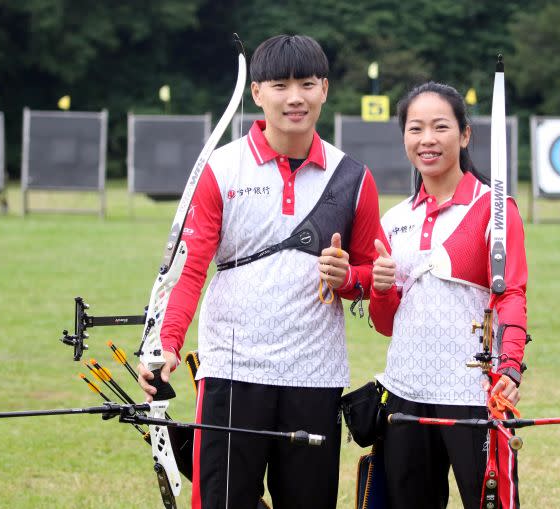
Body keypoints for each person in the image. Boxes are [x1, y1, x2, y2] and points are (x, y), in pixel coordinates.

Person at [137, 34, 383, 509]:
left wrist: (348, 278)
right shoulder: (222, 169)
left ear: (325, 89)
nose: (295, 97)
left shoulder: (353, 177)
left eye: (307, 84)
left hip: (314, 376)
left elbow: (375, 275)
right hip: (233, 370)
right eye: (280, 85)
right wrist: (168, 343)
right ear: (256, 93)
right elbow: (188, 270)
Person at [369, 82, 528, 509]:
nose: (427, 140)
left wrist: (510, 368)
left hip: (472, 395)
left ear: (464, 134)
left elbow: (511, 293)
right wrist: (380, 289)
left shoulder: (494, 207)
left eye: (440, 127)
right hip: (406, 393)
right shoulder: (395, 219)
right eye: (415, 128)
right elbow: (386, 323)